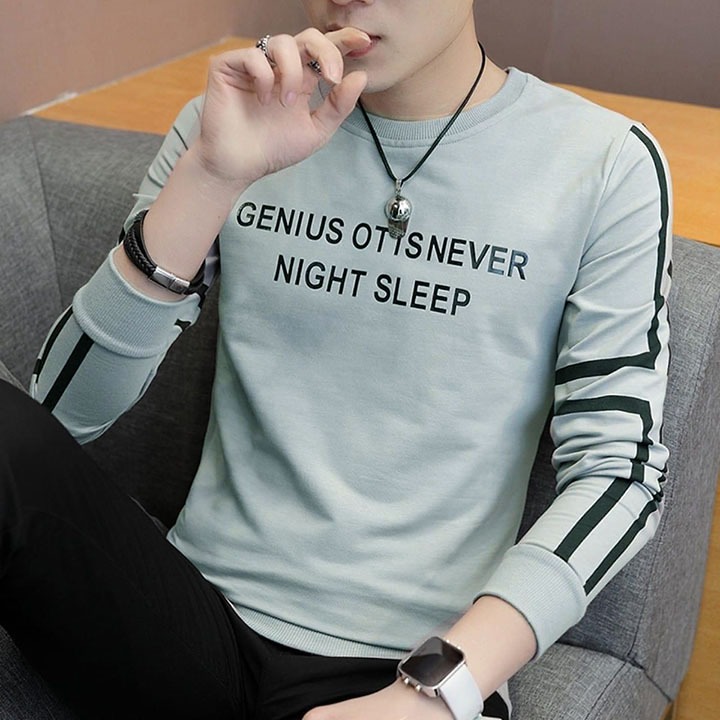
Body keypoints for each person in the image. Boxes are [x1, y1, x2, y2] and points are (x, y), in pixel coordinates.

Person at [0, 1, 672, 718]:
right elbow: (59, 419)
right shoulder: (229, 123)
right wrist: (211, 176)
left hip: (397, 668)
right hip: (189, 619)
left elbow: (619, 473)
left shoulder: (604, 162)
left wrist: (434, 692)